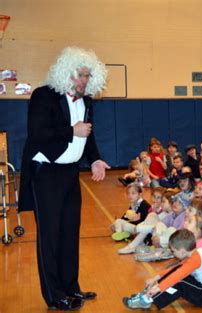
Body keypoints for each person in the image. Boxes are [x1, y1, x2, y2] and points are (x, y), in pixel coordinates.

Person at [18, 47, 109, 310]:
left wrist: (95, 159)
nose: (85, 80)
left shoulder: (86, 100)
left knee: (70, 233)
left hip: (70, 174)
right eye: (81, 75)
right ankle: (54, 295)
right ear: (67, 73)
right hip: (45, 175)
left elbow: (88, 134)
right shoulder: (43, 96)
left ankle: (72, 288)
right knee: (50, 236)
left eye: (88, 76)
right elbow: (37, 133)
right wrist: (72, 130)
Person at [123, 229, 202, 310]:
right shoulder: (194, 254)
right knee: (176, 272)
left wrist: (159, 288)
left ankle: (148, 300)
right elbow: (175, 269)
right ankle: (147, 294)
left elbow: (177, 276)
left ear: (182, 251)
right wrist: (155, 278)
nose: (173, 253)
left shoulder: (196, 258)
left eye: (173, 251)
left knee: (179, 282)